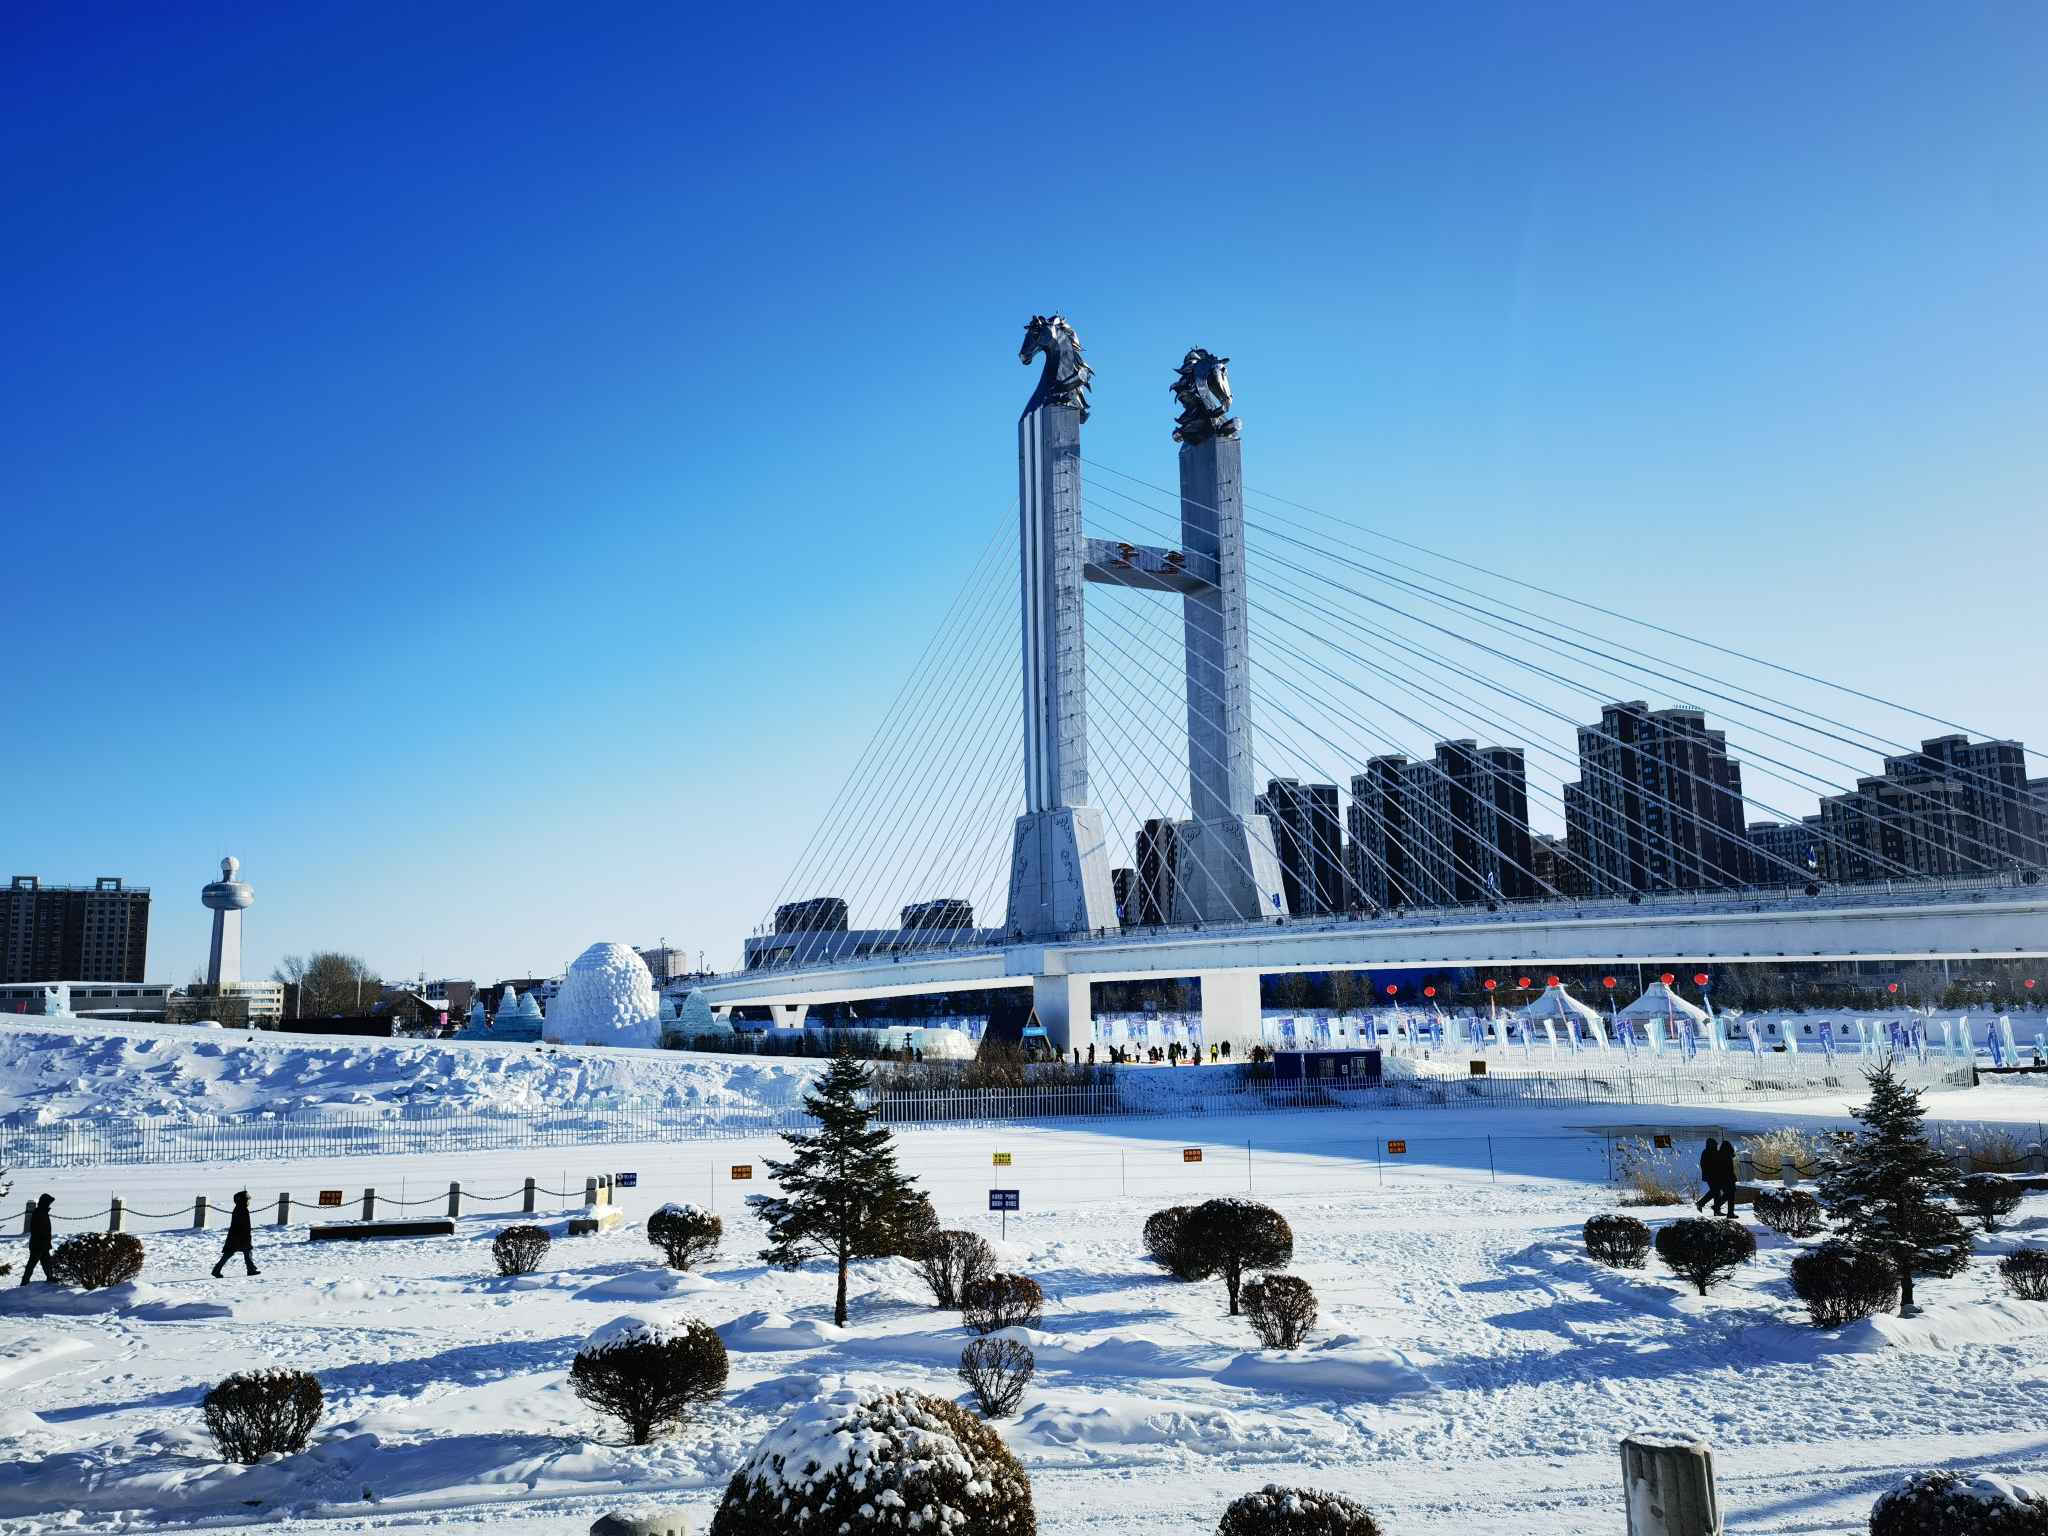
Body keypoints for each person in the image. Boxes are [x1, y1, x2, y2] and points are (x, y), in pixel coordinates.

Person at [212, 1191, 260, 1279]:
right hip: (239, 1236)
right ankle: (216, 1270)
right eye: (247, 1200)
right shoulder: (241, 1209)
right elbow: (241, 1225)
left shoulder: (240, 1208)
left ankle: (251, 1269)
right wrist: (244, 1236)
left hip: (238, 1236)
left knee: (246, 1252)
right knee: (230, 1253)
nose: (248, 1202)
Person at [20, 1193, 55, 1284]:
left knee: (46, 1262)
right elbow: (37, 1229)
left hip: (43, 1243)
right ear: (45, 1203)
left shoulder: (42, 1211)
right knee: (32, 1263)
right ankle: (24, 1281)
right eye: (48, 1202)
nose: (50, 1204)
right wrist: (44, 1240)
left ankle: (50, 1277)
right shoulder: (39, 1212)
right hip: (38, 1244)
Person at [1711, 1139, 1741, 1218]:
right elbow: (1729, 1170)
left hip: (1721, 1179)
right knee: (1730, 1195)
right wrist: (1734, 1178)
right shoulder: (1728, 1156)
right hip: (1728, 1179)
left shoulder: (1718, 1155)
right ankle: (1722, 1209)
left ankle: (1728, 1212)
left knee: (1728, 1195)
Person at [1694, 1139, 1722, 1214]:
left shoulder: (1713, 1152)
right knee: (1715, 1191)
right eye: (1715, 1144)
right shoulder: (1707, 1152)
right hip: (1711, 1176)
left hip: (1714, 1176)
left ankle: (1715, 1210)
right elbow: (1706, 1165)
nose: (1716, 1145)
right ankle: (1702, 1204)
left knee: (1715, 1192)